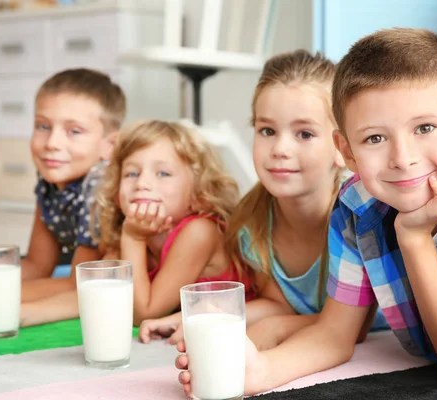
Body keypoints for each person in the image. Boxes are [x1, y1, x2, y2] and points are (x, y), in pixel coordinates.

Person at [176, 28, 437, 395]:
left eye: (425, 128)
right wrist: (260, 371)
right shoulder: (357, 204)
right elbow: (334, 335)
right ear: (346, 150)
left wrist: (413, 238)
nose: (403, 158)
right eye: (375, 138)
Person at [139, 50, 386, 348]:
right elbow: (278, 304)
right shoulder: (253, 223)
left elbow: (355, 327)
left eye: (304, 134)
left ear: (341, 147)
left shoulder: (361, 215)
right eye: (267, 130)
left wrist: (275, 329)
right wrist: (198, 315)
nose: (280, 148)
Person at [10, 120, 255, 328]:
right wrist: (20, 314)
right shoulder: (125, 232)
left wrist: (134, 238)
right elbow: (92, 295)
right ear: (116, 191)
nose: (142, 183)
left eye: (163, 174)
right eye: (132, 173)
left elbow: (143, 313)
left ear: (199, 194)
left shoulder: (199, 232)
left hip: (242, 324)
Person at [0, 68, 125, 333]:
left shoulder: (101, 186)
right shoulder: (52, 180)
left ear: (109, 145)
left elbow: (78, 284)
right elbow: (38, 264)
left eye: (74, 131)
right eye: (43, 126)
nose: (52, 142)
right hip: (76, 279)